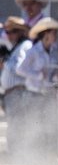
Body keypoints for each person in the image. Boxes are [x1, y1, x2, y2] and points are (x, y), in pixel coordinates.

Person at [17, 17, 58, 158]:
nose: (55, 36)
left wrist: (55, 76)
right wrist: (38, 75)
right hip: (34, 94)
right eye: (53, 33)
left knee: (48, 124)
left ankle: (45, 154)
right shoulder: (33, 51)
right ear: (46, 34)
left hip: (47, 93)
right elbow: (20, 69)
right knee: (34, 125)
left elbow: (52, 73)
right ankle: (31, 154)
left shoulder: (54, 51)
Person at [0, 17, 32, 156]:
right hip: (11, 92)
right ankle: (15, 151)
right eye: (7, 32)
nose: (8, 35)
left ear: (20, 32)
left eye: (12, 31)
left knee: (16, 123)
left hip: (17, 91)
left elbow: (21, 68)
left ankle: (17, 152)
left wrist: (6, 64)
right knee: (14, 122)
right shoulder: (16, 48)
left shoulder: (24, 46)